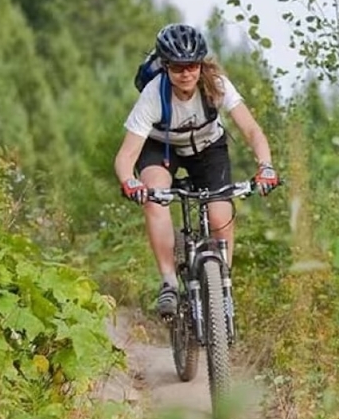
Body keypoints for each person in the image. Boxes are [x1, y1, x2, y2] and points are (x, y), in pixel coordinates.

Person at [113, 22, 279, 316]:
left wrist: (265, 167)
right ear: (166, 67)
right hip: (162, 148)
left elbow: (252, 130)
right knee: (155, 196)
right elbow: (126, 155)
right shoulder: (153, 95)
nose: (186, 73)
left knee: (219, 214)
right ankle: (168, 283)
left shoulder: (217, 85)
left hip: (207, 149)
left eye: (192, 65)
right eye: (178, 67)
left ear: (202, 64)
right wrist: (130, 181)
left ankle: (223, 285)